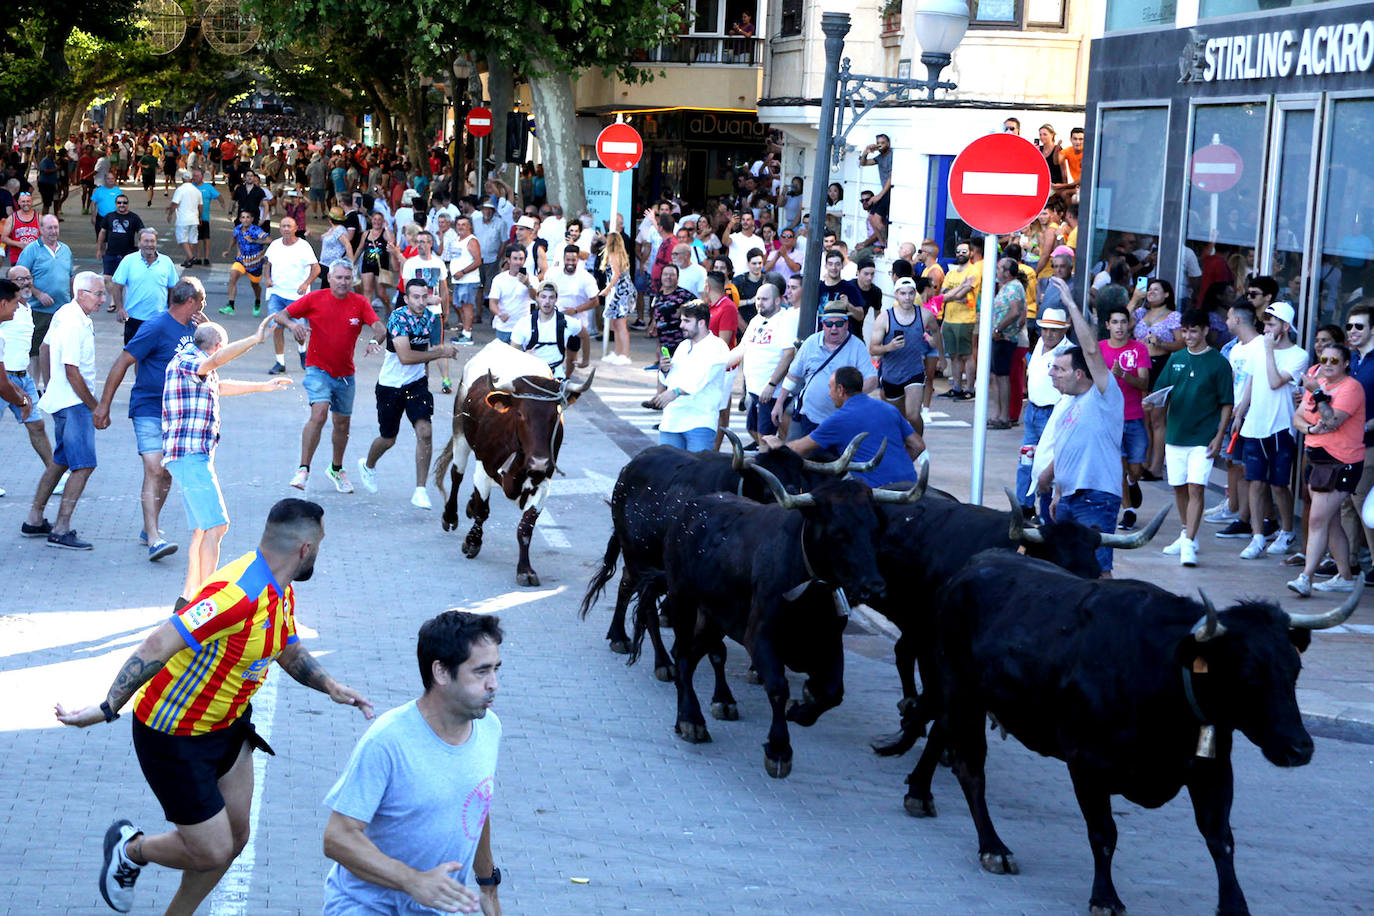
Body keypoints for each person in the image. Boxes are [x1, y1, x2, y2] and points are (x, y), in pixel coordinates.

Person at [54, 499, 375, 916]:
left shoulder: (279, 589)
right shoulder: (236, 597)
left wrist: (329, 685)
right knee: (211, 849)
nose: (319, 552)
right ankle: (130, 849)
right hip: (173, 736)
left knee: (235, 840)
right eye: (320, 545)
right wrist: (107, 706)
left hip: (227, 726)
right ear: (304, 550)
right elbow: (158, 644)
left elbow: (285, 645)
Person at [322, 611, 502, 916]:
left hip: (443, 907)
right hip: (367, 908)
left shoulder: (489, 728)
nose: (494, 684)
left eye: (496, 669)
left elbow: (476, 805)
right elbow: (337, 838)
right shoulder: (388, 741)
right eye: (481, 672)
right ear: (442, 672)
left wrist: (488, 886)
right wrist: (412, 881)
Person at [164, 317, 293, 606]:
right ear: (218, 346)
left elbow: (221, 385)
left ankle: (188, 598)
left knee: (202, 528)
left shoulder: (197, 366)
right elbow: (217, 362)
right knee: (217, 526)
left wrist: (264, 386)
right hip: (189, 456)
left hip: (192, 456)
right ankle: (205, 603)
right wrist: (254, 339)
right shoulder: (188, 360)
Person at [93, 278, 205, 561]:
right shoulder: (155, 326)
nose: (202, 306)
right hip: (148, 408)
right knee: (155, 469)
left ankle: (148, 527)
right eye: (201, 301)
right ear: (190, 302)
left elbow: (214, 356)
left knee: (167, 472)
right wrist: (103, 405)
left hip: (178, 412)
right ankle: (155, 538)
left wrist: (207, 325)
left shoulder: (194, 328)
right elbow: (122, 362)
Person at [273, 260, 385, 493]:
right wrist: (294, 326)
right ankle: (303, 469)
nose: (343, 282)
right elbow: (280, 316)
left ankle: (336, 468)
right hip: (317, 369)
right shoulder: (315, 298)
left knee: (342, 423)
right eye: (339, 277)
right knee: (320, 412)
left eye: (347, 278)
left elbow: (380, 327)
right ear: (330, 278)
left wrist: (375, 340)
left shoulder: (360, 302)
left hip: (345, 373)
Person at [1035, 292, 1123, 576]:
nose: (1052, 374)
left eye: (1059, 369)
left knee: (1098, 570)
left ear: (1080, 375)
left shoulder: (1104, 397)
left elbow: (1092, 351)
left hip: (1095, 499)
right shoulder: (1068, 404)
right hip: (1068, 498)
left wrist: (1072, 306)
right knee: (1065, 569)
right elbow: (1066, 449)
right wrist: (1054, 484)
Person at [23, 272, 107, 549]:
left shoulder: (65, 313)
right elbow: (72, 371)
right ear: (81, 293)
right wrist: (96, 408)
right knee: (84, 465)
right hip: (74, 404)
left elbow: (45, 348)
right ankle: (61, 528)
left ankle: (34, 517)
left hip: (62, 401)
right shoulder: (74, 322)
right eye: (98, 294)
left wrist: (49, 385)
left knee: (60, 460)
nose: (102, 299)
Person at [358, 281, 458, 509]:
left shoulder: (431, 318)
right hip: (390, 386)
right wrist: (440, 353)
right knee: (388, 439)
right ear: (406, 299)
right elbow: (405, 357)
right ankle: (368, 465)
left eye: (424, 297)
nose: (420, 302)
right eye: (415, 297)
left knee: (425, 432)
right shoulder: (398, 318)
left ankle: (420, 490)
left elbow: (434, 348)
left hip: (416, 384)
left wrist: (444, 366)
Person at [1154, 309, 1234, 567]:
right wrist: (1151, 404)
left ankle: (1188, 543)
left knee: (1196, 487)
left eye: (1193, 331)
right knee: (1178, 487)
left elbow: (1226, 403)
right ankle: (1187, 533)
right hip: (1175, 434)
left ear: (1205, 331)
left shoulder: (1219, 363)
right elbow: (1161, 392)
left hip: (1203, 437)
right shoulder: (1175, 358)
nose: (1188, 336)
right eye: (1185, 331)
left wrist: (1219, 436)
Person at [1289, 343, 1367, 596]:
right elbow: (1298, 418)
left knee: (1317, 519)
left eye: (1335, 360)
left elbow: (1333, 421)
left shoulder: (1351, 388)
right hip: (1317, 459)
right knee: (1330, 521)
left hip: (1341, 462)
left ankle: (1305, 577)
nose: (1328, 364)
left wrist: (1318, 394)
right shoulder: (1318, 384)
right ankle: (1344, 575)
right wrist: (1310, 429)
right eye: (1325, 359)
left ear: (1346, 364)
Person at [1233, 295, 1307, 560]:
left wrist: (1267, 350)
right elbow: (1252, 382)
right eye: (1265, 324)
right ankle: (1257, 536)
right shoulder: (1257, 348)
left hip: (1282, 427)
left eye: (1272, 324)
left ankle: (1287, 531)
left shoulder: (1299, 355)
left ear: (1286, 326)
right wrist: (1241, 411)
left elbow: (1276, 382)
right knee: (1255, 482)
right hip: (1255, 425)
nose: (1266, 329)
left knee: (1278, 485)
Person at [766, 365, 924, 486]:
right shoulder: (889, 409)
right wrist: (894, 468)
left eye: (830, 388)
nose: (829, 394)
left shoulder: (839, 419)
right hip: (909, 483)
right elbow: (918, 446)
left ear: (840, 390)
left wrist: (778, 444)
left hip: (876, 491)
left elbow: (800, 449)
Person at [772, 299, 879, 439]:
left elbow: (871, 379)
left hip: (843, 420)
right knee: (800, 456)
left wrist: (849, 397)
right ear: (823, 325)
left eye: (839, 323)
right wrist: (779, 403)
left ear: (847, 324)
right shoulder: (811, 343)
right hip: (809, 418)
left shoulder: (857, 347)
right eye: (829, 324)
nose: (834, 328)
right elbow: (793, 376)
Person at [1098, 302, 1151, 530]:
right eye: (1115, 322)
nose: (1119, 327)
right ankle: (1128, 511)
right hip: (1110, 419)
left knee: (1137, 467)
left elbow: (1144, 382)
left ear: (1129, 325)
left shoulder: (1139, 348)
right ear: (1107, 325)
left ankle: (1132, 481)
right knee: (1117, 466)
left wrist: (1123, 375)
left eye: (1123, 322)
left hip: (1134, 416)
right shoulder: (1099, 348)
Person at [651, 301, 729, 452]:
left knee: (696, 472)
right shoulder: (683, 346)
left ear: (701, 323)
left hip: (699, 422)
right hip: (672, 420)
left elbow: (702, 379)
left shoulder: (717, 347)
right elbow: (670, 380)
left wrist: (676, 392)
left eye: (686, 321)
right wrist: (665, 370)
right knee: (667, 471)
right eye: (682, 320)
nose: (681, 325)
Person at [727, 279, 796, 448]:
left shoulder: (785, 320)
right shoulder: (756, 320)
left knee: (766, 437)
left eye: (764, 299)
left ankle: (772, 465)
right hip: (753, 389)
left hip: (770, 392)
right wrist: (717, 364)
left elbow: (789, 354)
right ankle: (778, 458)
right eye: (758, 299)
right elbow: (742, 348)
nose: (759, 303)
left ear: (777, 300)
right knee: (753, 430)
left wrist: (772, 384)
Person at [0, 268, 55, 482]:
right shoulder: (7, 311)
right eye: (19, 280)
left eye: (28, 278)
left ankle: (54, 476)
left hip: (23, 377)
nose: (25, 283)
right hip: (5, 376)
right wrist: (21, 399)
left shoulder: (25, 308)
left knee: (38, 425)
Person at [870, 276, 935, 437]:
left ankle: (920, 447)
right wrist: (889, 347)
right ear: (896, 295)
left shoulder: (925, 315)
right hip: (892, 375)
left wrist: (938, 351)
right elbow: (873, 350)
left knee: (913, 415)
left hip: (915, 371)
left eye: (911, 293)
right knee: (899, 417)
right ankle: (904, 444)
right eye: (903, 293)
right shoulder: (885, 318)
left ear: (915, 295)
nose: (907, 297)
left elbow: (936, 333)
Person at [1132, 278, 1185, 479]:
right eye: (1150, 289)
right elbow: (1121, 321)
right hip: (1139, 366)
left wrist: (1161, 342)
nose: (1151, 292)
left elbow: (1181, 343)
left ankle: (1156, 466)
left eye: (1156, 289)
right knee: (1142, 416)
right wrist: (1135, 298)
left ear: (1167, 294)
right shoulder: (1140, 313)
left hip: (1161, 365)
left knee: (1157, 418)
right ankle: (1143, 462)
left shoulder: (1173, 316)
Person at [16, 214, 73, 387]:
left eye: (56, 227)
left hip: (62, 310)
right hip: (39, 310)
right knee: (36, 350)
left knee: (59, 349)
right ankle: (35, 385)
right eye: (49, 228)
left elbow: (70, 278)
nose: (53, 231)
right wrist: (38, 294)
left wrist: (74, 303)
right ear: (41, 229)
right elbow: (19, 276)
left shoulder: (66, 250)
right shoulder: (32, 250)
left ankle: (52, 386)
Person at [1340, 302, 1374, 581]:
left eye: (1359, 326)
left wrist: (1364, 425)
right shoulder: (1353, 362)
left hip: (1370, 445)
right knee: (1347, 503)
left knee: (1364, 505)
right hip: (1348, 444)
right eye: (1349, 326)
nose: (1352, 331)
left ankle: (1372, 563)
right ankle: (1348, 563)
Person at [262, 216, 321, 374]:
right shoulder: (275, 245)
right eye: (283, 226)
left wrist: (306, 283)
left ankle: (302, 351)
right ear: (280, 229)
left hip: (297, 296)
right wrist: (267, 278)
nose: (286, 229)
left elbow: (316, 268)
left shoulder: (304, 246)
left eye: (289, 226)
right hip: (277, 292)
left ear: (295, 228)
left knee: (299, 330)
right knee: (276, 326)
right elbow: (268, 264)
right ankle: (280, 362)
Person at [399, 230, 451, 391]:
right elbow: (408, 291)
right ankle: (422, 381)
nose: (420, 245)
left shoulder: (438, 263)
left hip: (434, 313)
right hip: (416, 314)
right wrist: (428, 300)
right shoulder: (410, 264)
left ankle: (446, 381)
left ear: (430, 243)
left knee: (438, 347)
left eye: (423, 241)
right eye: (418, 241)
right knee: (419, 348)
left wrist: (445, 309)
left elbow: (444, 289)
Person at [111, 229, 180, 345]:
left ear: (156, 243)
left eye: (152, 241)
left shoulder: (166, 262)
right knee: (132, 355)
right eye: (146, 241)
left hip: (159, 318)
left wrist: (171, 310)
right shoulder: (129, 260)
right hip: (133, 317)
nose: (149, 245)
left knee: (155, 355)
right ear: (139, 243)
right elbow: (117, 286)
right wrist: (120, 308)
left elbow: (173, 288)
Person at [511, 281, 581, 381]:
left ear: (556, 299)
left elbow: (584, 335)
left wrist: (585, 361)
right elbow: (512, 354)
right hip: (529, 376)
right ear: (537, 298)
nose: (547, 301)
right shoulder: (523, 323)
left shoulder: (568, 322)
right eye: (543, 297)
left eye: (551, 297)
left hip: (556, 377)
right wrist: (524, 356)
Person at [986, 258, 1026, 429]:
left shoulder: (1014, 287)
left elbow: (1015, 311)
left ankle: (1004, 416)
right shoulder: (1007, 287)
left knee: (1002, 378)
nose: (997, 271)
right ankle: (997, 413)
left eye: (1000, 268)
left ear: (1008, 272)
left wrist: (998, 329)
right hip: (999, 338)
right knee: (996, 376)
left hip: (1005, 339)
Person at [939, 239, 981, 400]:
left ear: (970, 253)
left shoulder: (973, 272)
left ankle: (970, 389)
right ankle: (956, 387)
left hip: (965, 320)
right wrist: (959, 290)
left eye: (964, 251)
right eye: (958, 251)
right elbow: (943, 294)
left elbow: (959, 295)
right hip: (949, 319)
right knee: (954, 355)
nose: (960, 254)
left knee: (967, 355)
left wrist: (953, 295)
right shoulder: (950, 273)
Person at [546, 245, 599, 369]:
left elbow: (595, 301)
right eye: (568, 260)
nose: (570, 263)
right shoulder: (553, 274)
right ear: (563, 259)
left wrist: (575, 310)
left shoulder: (586, 277)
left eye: (573, 260)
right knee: (552, 353)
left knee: (571, 355)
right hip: (555, 321)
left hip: (576, 323)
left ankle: (567, 378)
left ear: (578, 260)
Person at [220, 210, 272, 317]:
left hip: (255, 263)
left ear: (252, 219)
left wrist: (254, 241)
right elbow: (234, 238)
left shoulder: (256, 230)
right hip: (242, 260)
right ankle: (231, 306)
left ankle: (257, 301)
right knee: (232, 277)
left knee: (255, 285)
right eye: (243, 217)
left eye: (248, 217)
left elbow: (269, 240)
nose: (245, 219)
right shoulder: (237, 229)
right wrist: (228, 250)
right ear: (240, 219)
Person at [445, 214, 483, 347]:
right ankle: (465, 330)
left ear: (469, 226)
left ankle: (467, 334)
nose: (460, 227)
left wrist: (463, 272)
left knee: (467, 306)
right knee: (459, 305)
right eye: (459, 224)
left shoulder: (472, 241)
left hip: (468, 279)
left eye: (464, 224)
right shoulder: (457, 240)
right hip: (457, 280)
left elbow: (478, 261)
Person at [599, 232, 636, 366]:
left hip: (620, 292)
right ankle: (618, 352)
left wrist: (607, 289)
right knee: (615, 324)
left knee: (620, 324)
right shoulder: (620, 255)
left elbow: (616, 275)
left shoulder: (613, 255)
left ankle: (625, 354)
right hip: (620, 291)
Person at [487, 245, 535, 345]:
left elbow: (537, 298)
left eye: (521, 259)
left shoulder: (532, 279)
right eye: (515, 259)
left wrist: (528, 284)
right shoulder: (499, 279)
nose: (518, 262)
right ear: (508, 260)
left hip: (523, 327)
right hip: (504, 327)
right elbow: (492, 303)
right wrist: (499, 314)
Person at [857, 134, 892, 250]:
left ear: (888, 143)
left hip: (889, 191)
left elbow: (891, 178)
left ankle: (887, 243)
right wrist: (866, 152)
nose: (880, 145)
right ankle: (883, 245)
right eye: (878, 142)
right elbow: (863, 163)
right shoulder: (880, 157)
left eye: (882, 142)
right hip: (884, 191)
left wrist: (879, 196)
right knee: (872, 218)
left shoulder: (891, 156)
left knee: (877, 218)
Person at [167, 170, 202, 268]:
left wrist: (170, 214)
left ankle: (191, 257)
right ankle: (188, 260)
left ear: (182, 179)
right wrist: (200, 217)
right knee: (191, 240)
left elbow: (175, 204)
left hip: (183, 219)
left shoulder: (180, 190)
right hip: (194, 219)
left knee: (182, 240)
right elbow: (200, 206)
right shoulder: (197, 191)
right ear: (191, 179)